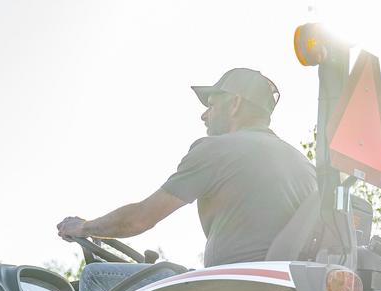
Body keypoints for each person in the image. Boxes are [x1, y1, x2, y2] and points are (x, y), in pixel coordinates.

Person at [56, 68, 316, 266]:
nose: (204, 115)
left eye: (211, 106)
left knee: (95, 276)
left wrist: (84, 227)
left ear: (235, 104)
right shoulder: (306, 167)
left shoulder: (216, 150)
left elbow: (140, 218)